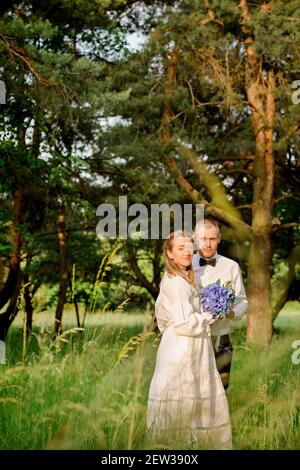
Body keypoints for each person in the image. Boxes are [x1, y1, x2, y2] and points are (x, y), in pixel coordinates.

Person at [147, 231, 232, 449]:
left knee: (195, 396)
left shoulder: (185, 277)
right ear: (170, 254)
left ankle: (195, 446)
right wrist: (210, 316)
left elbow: (166, 317)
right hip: (182, 348)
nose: (187, 252)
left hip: (192, 344)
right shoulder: (175, 282)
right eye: (180, 248)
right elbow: (184, 323)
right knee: (184, 397)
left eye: (189, 247)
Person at [193, 219, 248, 390]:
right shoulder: (186, 266)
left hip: (222, 337)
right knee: (196, 388)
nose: (208, 244)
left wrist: (231, 312)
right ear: (195, 239)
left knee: (222, 389)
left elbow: (243, 301)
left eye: (212, 239)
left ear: (219, 238)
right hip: (195, 338)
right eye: (203, 239)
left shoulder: (231, 266)